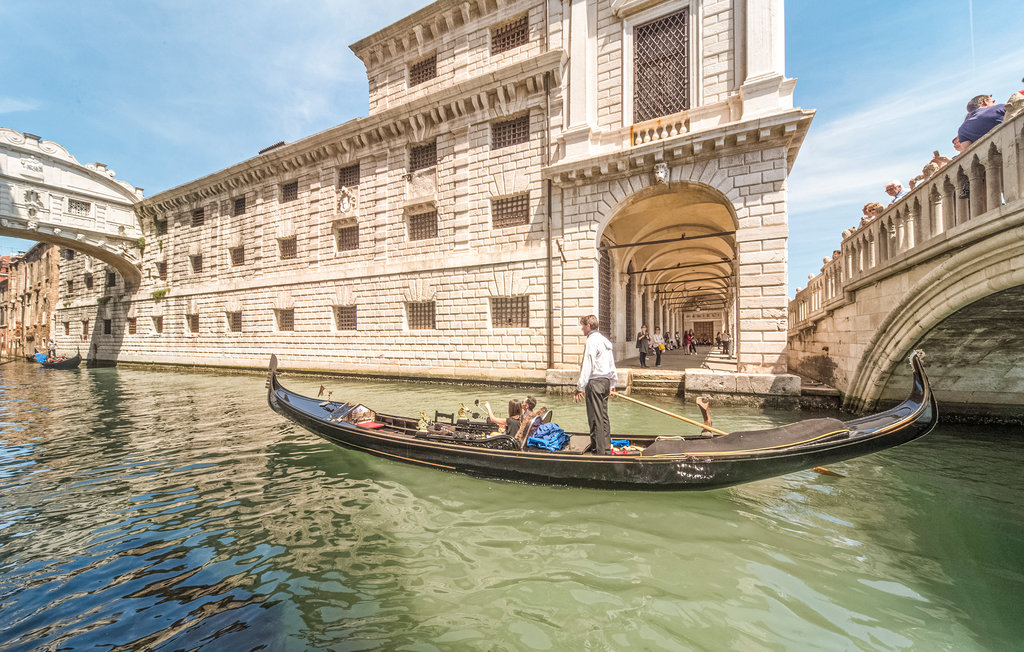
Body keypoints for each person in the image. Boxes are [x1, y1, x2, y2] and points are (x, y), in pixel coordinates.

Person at [573, 315, 616, 455]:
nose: (581, 329)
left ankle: (599, 451)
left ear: (588, 326)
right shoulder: (605, 341)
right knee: (603, 416)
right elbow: (612, 364)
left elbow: (588, 365)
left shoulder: (591, 341)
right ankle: (606, 446)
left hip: (595, 383)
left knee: (594, 417)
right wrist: (613, 383)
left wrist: (580, 386)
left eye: (583, 326)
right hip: (605, 382)